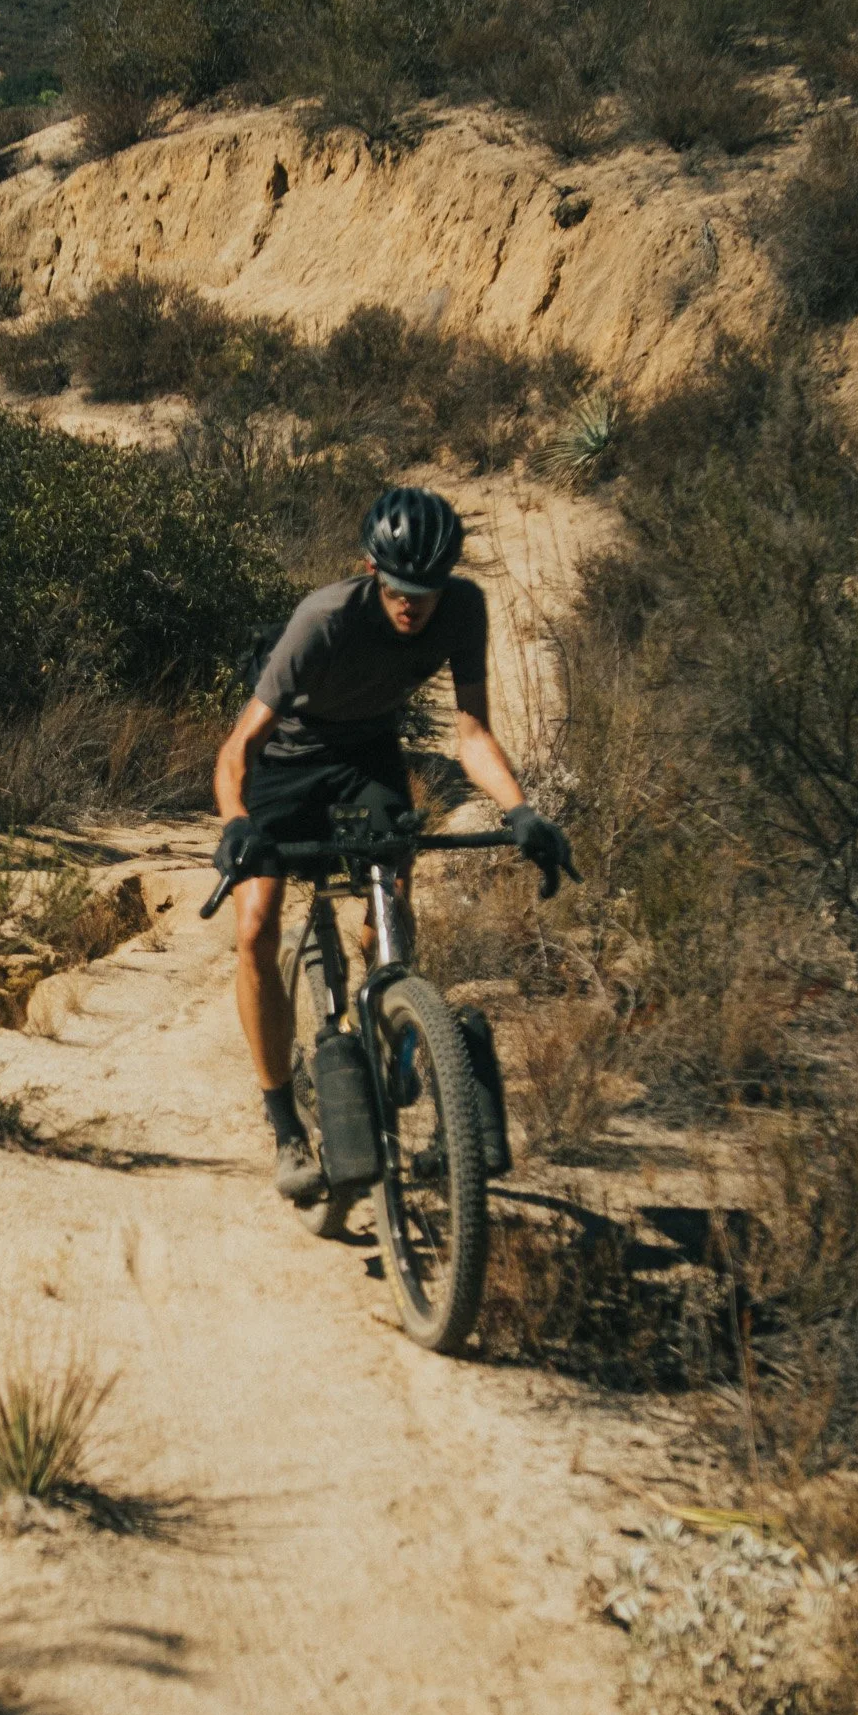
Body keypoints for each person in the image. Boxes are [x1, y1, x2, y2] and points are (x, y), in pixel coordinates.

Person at [211, 485, 575, 1203]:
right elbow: (236, 749)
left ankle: (406, 1029)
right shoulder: (323, 621)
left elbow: (471, 732)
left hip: (367, 753)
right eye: (401, 589)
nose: (414, 605)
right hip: (283, 760)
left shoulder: (463, 609)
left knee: (392, 910)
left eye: (427, 592)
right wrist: (236, 825)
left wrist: (521, 810)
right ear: (372, 572)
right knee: (255, 925)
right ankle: (284, 1123)